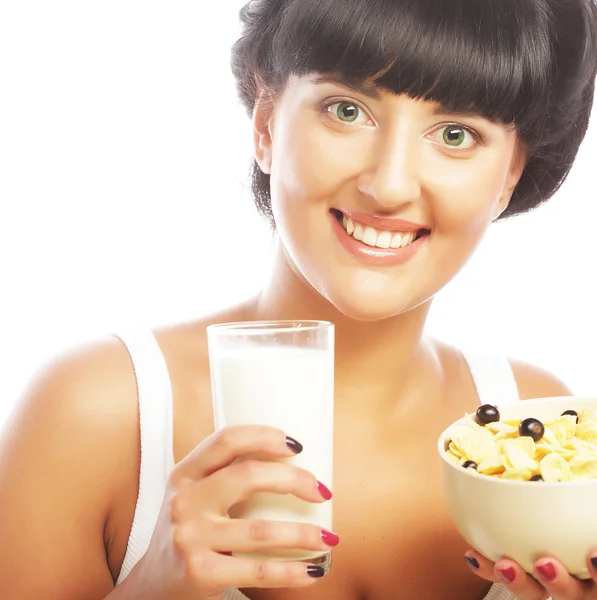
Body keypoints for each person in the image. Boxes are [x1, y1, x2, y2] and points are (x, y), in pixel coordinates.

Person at [1, 0, 597, 598]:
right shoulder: (94, 415)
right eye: (346, 110)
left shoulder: (542, 431)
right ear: (266, 123)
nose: (388, 184)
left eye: (455, 134)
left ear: (512, 172)